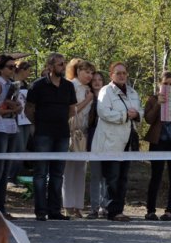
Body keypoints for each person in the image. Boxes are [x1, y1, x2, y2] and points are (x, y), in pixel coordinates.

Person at [25, 53, 77, 221]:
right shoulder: (37, 85)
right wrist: (38, 124)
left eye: (64, 63)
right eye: (60, 64)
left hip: (62, 134)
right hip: (43, 134)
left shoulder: (68, 86)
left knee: (57, 173)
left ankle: (55, 210)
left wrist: (60, 121)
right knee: (40, 173)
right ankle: (41, 211)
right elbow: (29, 109)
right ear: (50, 66)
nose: (63, 66)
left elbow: (72, 109)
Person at [91, 61, 143, 222]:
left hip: (127, 141)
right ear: (111, 75)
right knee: (112, 177)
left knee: (123, 178)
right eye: (118, 73)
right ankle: (111, 211)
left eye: (124, 73)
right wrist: (125, 115)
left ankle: (118, 210)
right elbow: (103, 112)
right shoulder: (106, 91)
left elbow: (140, 110)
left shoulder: (133, 92)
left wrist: (136, 114)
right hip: (110, 141)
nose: (121, 76)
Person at [144, 71, 171, 221]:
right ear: (159, 84)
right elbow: (148, 119)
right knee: (156, 176)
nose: (168, 86)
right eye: (165, 84)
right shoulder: (152, 99)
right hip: (158, 142)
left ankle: (170, 211)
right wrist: (158, 104)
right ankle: (150, 210)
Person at [61, 59, 95, 219]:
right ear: (77, 71)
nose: (90, 75)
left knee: (81, 170)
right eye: (86, 72)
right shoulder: (71, 86)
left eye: (91, 73)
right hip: (70, 132)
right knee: (68, 170)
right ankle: (68, 206)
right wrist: (87, 100)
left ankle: (78, 206)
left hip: (84, 133)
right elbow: (71, 110)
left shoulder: (89, 88)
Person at [0, 55, 20, 219]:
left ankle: (1, 208)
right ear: (1, 68)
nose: (13, 70)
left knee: (5, 171)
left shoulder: (12, 85)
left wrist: (17, 106)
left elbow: (15, 106)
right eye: (10, 67)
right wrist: (11, 109)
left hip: (11, 127)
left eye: (15, 67)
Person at [7, 60, 32, 185]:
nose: (29, 73)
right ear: (22, 70)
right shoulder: (12, 83)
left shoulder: (26, 84)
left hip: (26, 120)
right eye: (28, 70)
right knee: (17, 147)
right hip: (15, 119)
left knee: (22, 148)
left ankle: (15, 175)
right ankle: (10, 177)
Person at [86, 71, 107, 218]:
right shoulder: (86, 96)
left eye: (100, 79)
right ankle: (94, 207)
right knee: (95, 174)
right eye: (94, 80)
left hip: (107, 137)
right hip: (92, 136)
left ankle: (104, 206)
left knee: (106, 175)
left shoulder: (109, 97)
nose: (97, 82)